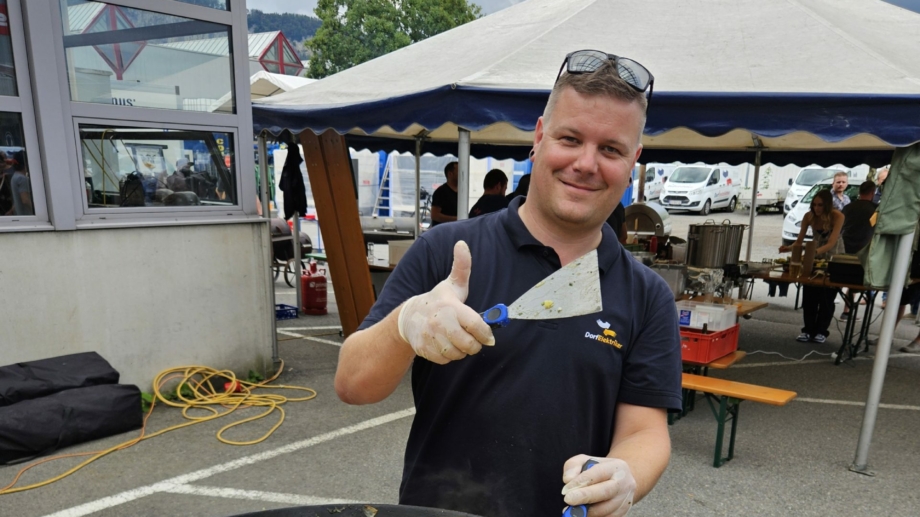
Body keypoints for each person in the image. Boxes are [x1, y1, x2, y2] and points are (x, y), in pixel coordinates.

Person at [335, 50, 679, 517]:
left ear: (633, 161)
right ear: (539, 137)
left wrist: (626, 475)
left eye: (611, 149)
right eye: (570, 138)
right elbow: (354, 384)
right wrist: (406, 322)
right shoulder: (447, 250)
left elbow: (644, 430)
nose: (585, 163)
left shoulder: (647, 295)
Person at [779, 189, 844, 343]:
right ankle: (808, 330)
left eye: (820, 205)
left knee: (827, 296)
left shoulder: (838, 216)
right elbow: (799, 241)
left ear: (827, 205)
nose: (817, 208)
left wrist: (811, 253)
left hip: (834, 256)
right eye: (814, 205)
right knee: (809, 292)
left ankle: (821, 331)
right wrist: (788, 248)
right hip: (814, 254)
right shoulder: (808, 216)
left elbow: (831, 243)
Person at [839, 181, 878, 320]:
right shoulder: (875, 209)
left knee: (842, 278)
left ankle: (846, 311)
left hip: (845, 247)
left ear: (859, 191)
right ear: (873, 193)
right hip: (864, 249)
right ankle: (847, 311)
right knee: (856, 281)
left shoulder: (848, 207)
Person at [429, 161, 459, 227]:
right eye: (459, 171)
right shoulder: (441, 192)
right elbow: (434, 215)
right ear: (450, 174)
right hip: (442, 232)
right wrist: (457, 219)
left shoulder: (461, 193)